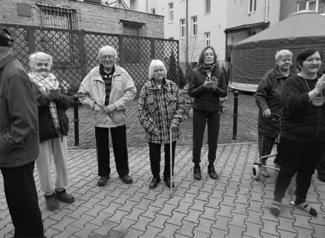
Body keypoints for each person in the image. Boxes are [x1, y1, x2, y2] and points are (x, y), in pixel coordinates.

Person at [0, 27, 45, 237]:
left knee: (24, 205)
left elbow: (23, 124)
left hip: (16, 154)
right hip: (11, 154)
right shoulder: (6, 71)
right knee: (18, 204)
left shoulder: (13, 74)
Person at [270, 48, 325, 217]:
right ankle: (277, 199)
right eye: (310, 59)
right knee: (288, 169)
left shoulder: (323, 82)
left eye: (318, 59)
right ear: (301, 63)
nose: (315, 62)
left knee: (307, 170)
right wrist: (315, 91)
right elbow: (290, 104)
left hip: (316, 135)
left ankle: (300, 199)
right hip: (293, 135)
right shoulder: (293, 82)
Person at [78, 45, 136, 186]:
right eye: (104, 56)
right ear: (100, 58)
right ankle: (104, 174)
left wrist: (115, 105)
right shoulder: (93, 74)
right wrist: (94, 106)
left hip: (117, 115)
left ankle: (123, 173)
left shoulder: (122, 73)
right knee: (102, 147)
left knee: (120, 146)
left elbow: (131, 91)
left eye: (110, 56)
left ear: (115, 58)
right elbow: (81, 93)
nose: (107, 59)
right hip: (101, 116)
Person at [28, 52, 75, 211]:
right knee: (44, 165)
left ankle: (61, 189)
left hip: (58, 128)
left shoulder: (55, 80)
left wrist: (58, 96)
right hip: (41, 131)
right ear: (32, 66)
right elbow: (30, 106)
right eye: (39, 64)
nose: (43, 67)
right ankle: (48, 194)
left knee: (62, 162)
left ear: (50, 65)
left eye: (45, 64)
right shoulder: (28, 82)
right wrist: (48, 96)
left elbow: (68, 102)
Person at [138, 59, 186, 189]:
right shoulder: (146, 88)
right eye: (156, 70)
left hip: (171, 129)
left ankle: (168, 176)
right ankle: (155, 176)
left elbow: (181, 105)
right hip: (154, 130)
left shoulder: (173, 86)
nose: (159, 72)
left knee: (170, 155)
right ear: (151, 73)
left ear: (164, 72)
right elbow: (141, 111)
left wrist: (175, 121)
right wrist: (151, 127)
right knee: (154, 156)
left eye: (161, 70)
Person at [188, 46, 228, 180]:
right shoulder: (195, 72)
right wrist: (203, 87)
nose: (209, 56)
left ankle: (211, 165)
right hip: (199, 110)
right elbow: (191, 92)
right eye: (207, 54)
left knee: (213, 140)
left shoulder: (220, 71)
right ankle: (197, 166)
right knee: (197, 140)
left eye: (211, 54)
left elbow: (224, 92)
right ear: (202, 57)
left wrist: (215, 88)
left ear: (214, 57)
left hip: (214, 110)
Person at [255, 49, 294, 177]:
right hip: (271, 117)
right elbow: (260, 95)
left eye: (289, 59)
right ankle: (263, 162)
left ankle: (279, 163)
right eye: (284, 59)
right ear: (277, 62)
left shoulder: (295, 76)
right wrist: (265, 108)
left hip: (288, 118)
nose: (287, 62)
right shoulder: (270, 76)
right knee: (267, 142)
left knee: (285, 143)